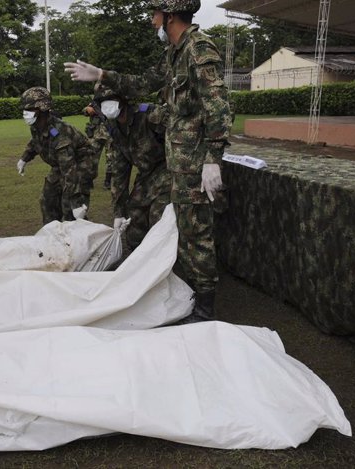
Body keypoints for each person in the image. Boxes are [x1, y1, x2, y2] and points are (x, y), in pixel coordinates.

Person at [64, 0, 232, 322]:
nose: (153, 21)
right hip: (179, 163)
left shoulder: (198, 48)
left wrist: (212, 158)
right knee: (184, 230)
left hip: (195, 162)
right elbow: (142, 84)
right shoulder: (173, 53)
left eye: (155, 15)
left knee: (197, 233)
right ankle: (192, 292)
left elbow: (219, 104)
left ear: (169, 16)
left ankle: (206, 307)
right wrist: (102, 74)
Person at [95, 85, 171, 250]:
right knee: (134, 217)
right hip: (146, 176)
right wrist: (118, 213)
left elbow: (181, 140)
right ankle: (138, 260)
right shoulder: (114, 128)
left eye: (111, 100)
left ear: (124, 101)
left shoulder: (150, 115)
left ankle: (166, 263)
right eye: (102, 102)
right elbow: (119, 171)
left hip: (168, 171)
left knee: (159, 217)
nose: (106, 105)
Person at [16, 86, 95, 224]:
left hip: (79, 165)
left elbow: (70, 170)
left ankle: (79, 238)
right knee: (47, 200)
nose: (25, 113)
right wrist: (24, 158)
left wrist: (76, 202)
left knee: (70, 209)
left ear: (41, 109)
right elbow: (35, 142)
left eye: (29, 109)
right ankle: (52, 235)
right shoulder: (37, 126)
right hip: (61, 164)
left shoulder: (60, 133)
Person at [83, 87, 117, 190]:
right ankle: (89, 180)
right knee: (91, 157)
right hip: (96, 134)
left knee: (111, 158)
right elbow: (84, 111)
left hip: (110, 135)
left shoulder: (114, 102)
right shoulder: (95, 101)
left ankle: (107, 181)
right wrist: (88, 110)